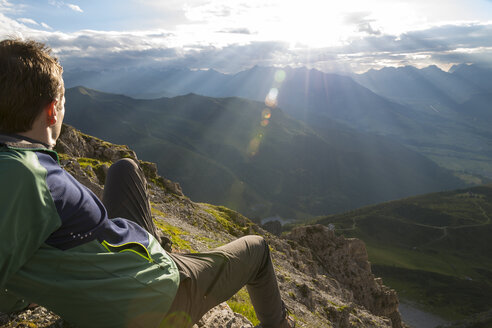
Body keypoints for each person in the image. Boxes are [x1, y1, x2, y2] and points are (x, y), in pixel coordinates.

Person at [0, 38, 294, 328]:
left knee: (124, 169)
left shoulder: (18, 162)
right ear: (52, 110)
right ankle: (280, 324)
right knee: (257, 249)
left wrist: (31, 292)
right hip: (157, 298)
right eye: (63, 102)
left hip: (117, 261)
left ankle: (155, 248)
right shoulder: (25, 175)